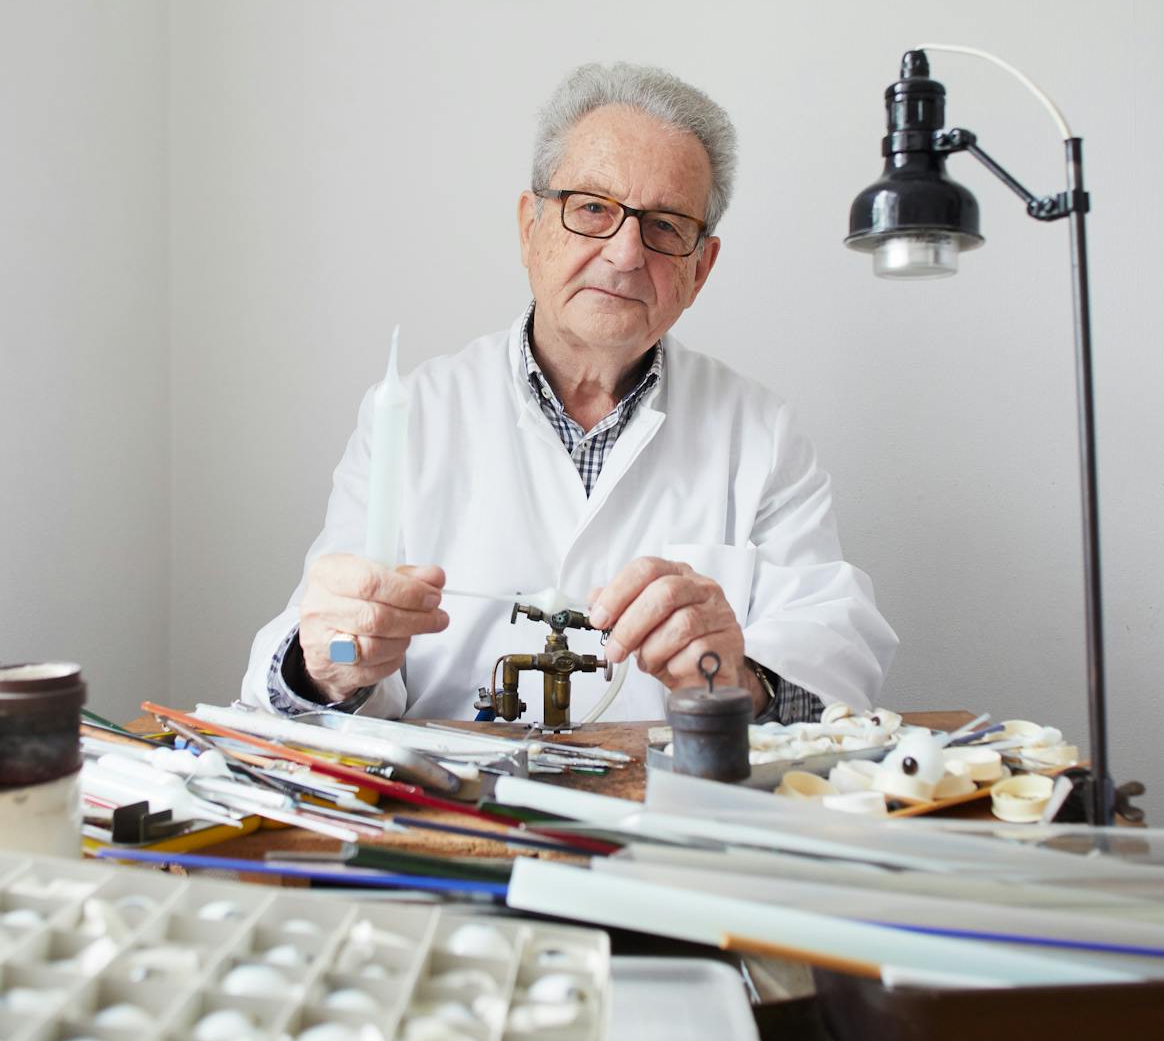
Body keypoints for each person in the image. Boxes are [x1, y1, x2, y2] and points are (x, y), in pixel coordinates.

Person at [242, 63, 897, 725]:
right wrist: (329, 666)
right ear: (531, 226)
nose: (624, 254)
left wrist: (741, 676)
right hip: (456, 808)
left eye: (666, 226)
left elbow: (836, 652)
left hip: (673, 806)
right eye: (592, 209)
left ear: (701, 268)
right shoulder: (417, 415)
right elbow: (306, 665)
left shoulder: (760, 434)